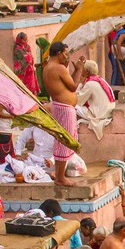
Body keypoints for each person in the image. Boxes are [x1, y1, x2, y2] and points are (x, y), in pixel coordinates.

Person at [41, 42, 79, 186]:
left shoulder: (48, 67)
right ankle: (60, 177)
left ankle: (59, 176)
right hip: (64, 108)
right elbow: (73, 86)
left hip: (59, 106)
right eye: (65, 53)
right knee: (64, 141)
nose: (66, 56)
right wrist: (79, 69)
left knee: (61, 141)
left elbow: (65, 85)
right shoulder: (58, 68)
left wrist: (69, 68)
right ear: (59, 53)